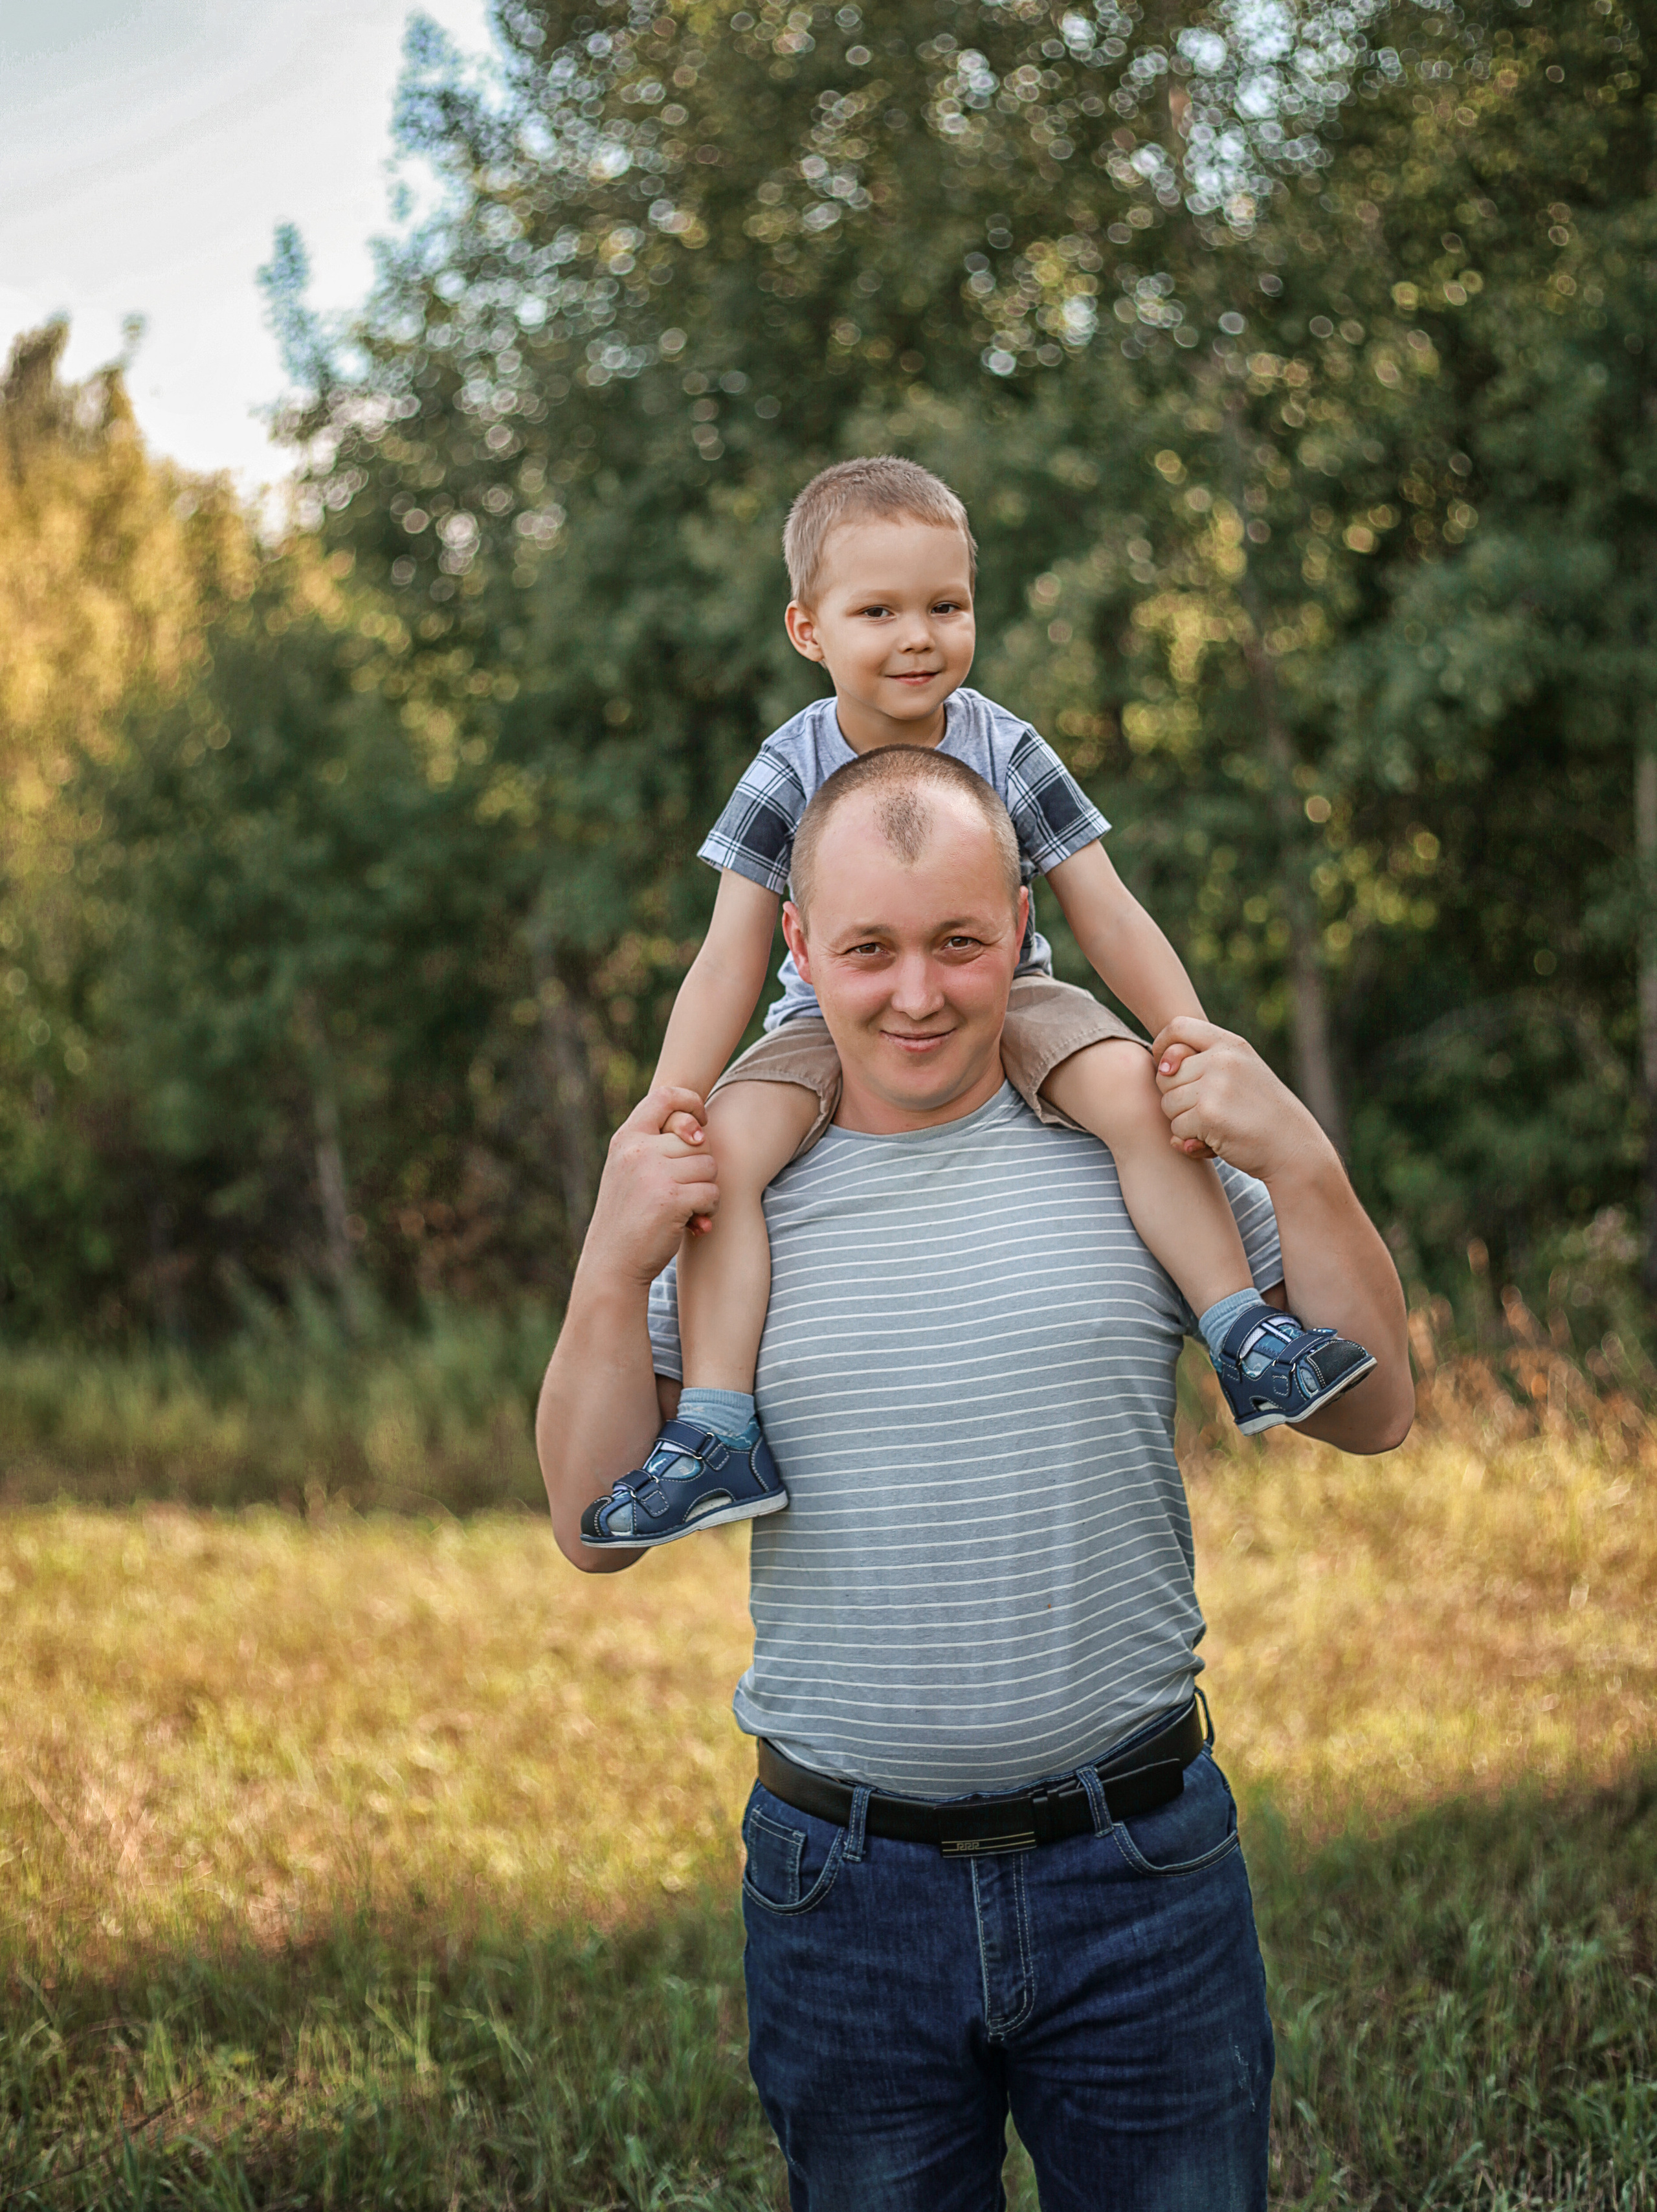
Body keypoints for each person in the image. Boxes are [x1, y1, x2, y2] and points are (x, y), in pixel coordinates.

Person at [536, 746, 1412, 2211]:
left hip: (1136, 1868)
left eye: (957, 942)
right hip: (840, 1892)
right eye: (867, 950)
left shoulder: (1128, 1148)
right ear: (799, 950)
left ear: (1020, 924)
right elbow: (588, 1528)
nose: (918, 994)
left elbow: (1375, 1413)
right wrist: (605, 1261)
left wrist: (1304, 1162)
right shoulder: (724, 1204)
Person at [581, 456, 1373, 1552]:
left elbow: (1103, 906)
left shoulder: (1003, 741)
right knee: (722, 1157)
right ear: (808, 630)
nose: (919, 636)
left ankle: (1245, 1331)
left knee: (1136, 1095)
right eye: (880, 612)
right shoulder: (787, 765)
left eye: (946, 606)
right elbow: (729, 956)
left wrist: (1191, 1036)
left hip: (1018, 992)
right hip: (824, 1021)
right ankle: (717, 1428)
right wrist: (670, 1100)